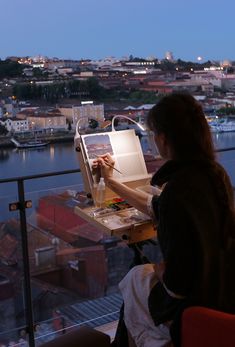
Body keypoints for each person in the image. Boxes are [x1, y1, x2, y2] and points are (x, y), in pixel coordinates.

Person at [92, 93, 235, 347]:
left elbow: (177, 285)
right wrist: (113, 182)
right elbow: (156, 206)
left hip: (195, 306)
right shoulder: (216, 175)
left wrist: (160, 269)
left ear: (165, 140)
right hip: (224, 291)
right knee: (140, 277)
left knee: (136, 278)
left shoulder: (177, 191)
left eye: (153, 134)